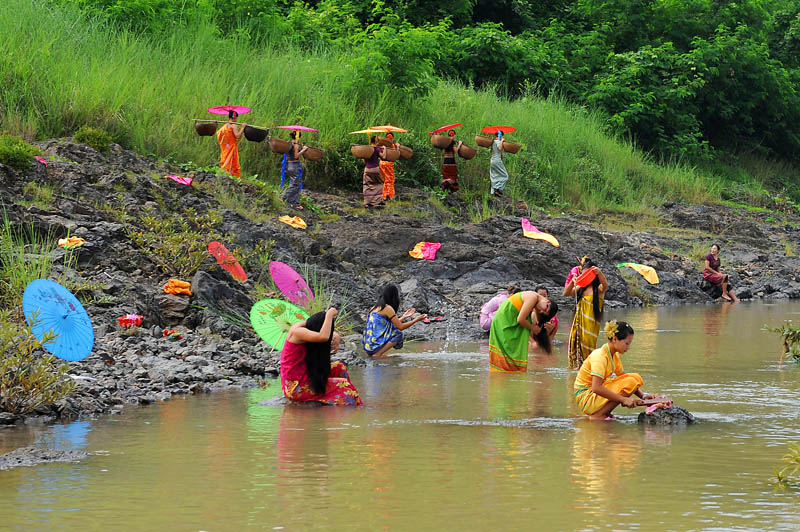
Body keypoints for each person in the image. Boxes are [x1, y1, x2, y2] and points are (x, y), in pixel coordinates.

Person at [573, 320, 656, 420]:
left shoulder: (613, 354)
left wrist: (643, 397)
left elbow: (624, 378)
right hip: (586, 398)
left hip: (593, 394)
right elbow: (596, 388)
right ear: (615, 339)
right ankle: (598, 415)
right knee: (630, 381)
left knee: (635, 378)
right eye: (627, 343)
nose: (628, 347)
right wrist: (623, 399)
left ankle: (605, 412)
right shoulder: (600, 356)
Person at [280, 308, 363, 406]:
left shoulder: (304, 327)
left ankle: (339, 400)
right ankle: (356, 410)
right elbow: (323, 336)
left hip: (305, 376)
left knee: (339, 367)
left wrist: (334, 334)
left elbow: (319, 330)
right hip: (296, 387)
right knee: (345, 386)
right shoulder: (298, 332)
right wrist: (329, 315)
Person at [489, 290, 553, 372]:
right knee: (506, 350)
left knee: (511, 350)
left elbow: (536, 325)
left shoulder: (536, 303)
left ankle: (509, 376)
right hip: (504, 320)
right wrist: (533, 328)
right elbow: (520, 319)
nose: (541, 311)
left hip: (508, 320)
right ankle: (503, 374)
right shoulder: (532, 297)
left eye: (543, 313)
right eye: (545, 309)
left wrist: (546, 329)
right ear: (548, 302)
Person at [564, 257, 608, 370]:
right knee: (575, 344)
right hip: (578, 323)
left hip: (591, 324)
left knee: (588, 344)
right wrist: (573, 282)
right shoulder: (580, 287)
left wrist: (599, 273)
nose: (584, 276)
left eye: (586, 274)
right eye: (582, 274)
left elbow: (605, 285)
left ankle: (589, 369)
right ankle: (578, 370)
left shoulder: (598, 289)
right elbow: (566, 293)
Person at [363, 283, 427, 358]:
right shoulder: (387, 308)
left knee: (394, 330)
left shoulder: (374, 308)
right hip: (374, 345)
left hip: (368, 346)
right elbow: (401, 327)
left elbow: (387, 325)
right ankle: (378, 354)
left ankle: (373, 353)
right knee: (398, 334)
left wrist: (404, 317)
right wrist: (416, 320)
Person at [282, 131, 308, 210]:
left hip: (289, 165)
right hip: (295, 165)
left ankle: (295, 202)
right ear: (298, 137)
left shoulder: (289, 144)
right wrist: (304, 150)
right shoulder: (295, 145)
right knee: (296, 185)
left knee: (297, 184)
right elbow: (296, 156)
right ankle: (283, 197)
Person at [217, 110, 245, 178]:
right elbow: (237, 136)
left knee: (226, 160)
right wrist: (243, 127)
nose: (237, 120)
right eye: (236, 118)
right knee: (233, 162)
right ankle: (232, 176)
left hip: (226, 148)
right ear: (234, 117)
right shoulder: (233, 125)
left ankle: (224, 175)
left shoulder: (225, 125)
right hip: (231, 147)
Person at [363, 136, 386, 208]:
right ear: (376, 142)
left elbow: (364, 161)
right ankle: (378, 201)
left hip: (367, 169)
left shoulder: (367, 149)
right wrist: (384, 149)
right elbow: (383, 157)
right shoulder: (377, 149)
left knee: (367, 185)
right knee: (379, 184)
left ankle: (367, 202)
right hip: (375, 169)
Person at [489, 130, 509, 197]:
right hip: (497, 160)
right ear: (501, 136)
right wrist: (502, 141)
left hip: (492, 160)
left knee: (494, 175)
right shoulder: (498, 141)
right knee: (505, 176)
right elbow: (499, 148)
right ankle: (498, 188)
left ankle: (495, 190)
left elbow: (492, 152)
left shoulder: (493, 142)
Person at [380, 132, 398, 201]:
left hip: (381, 163)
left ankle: (384, 194)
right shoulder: (392, 145)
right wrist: (398, 147)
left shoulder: (382, 145)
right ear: (392, 138)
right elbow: (396, 154)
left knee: (385, 180)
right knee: (390, 180)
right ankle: (389, 195)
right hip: (388, 163)